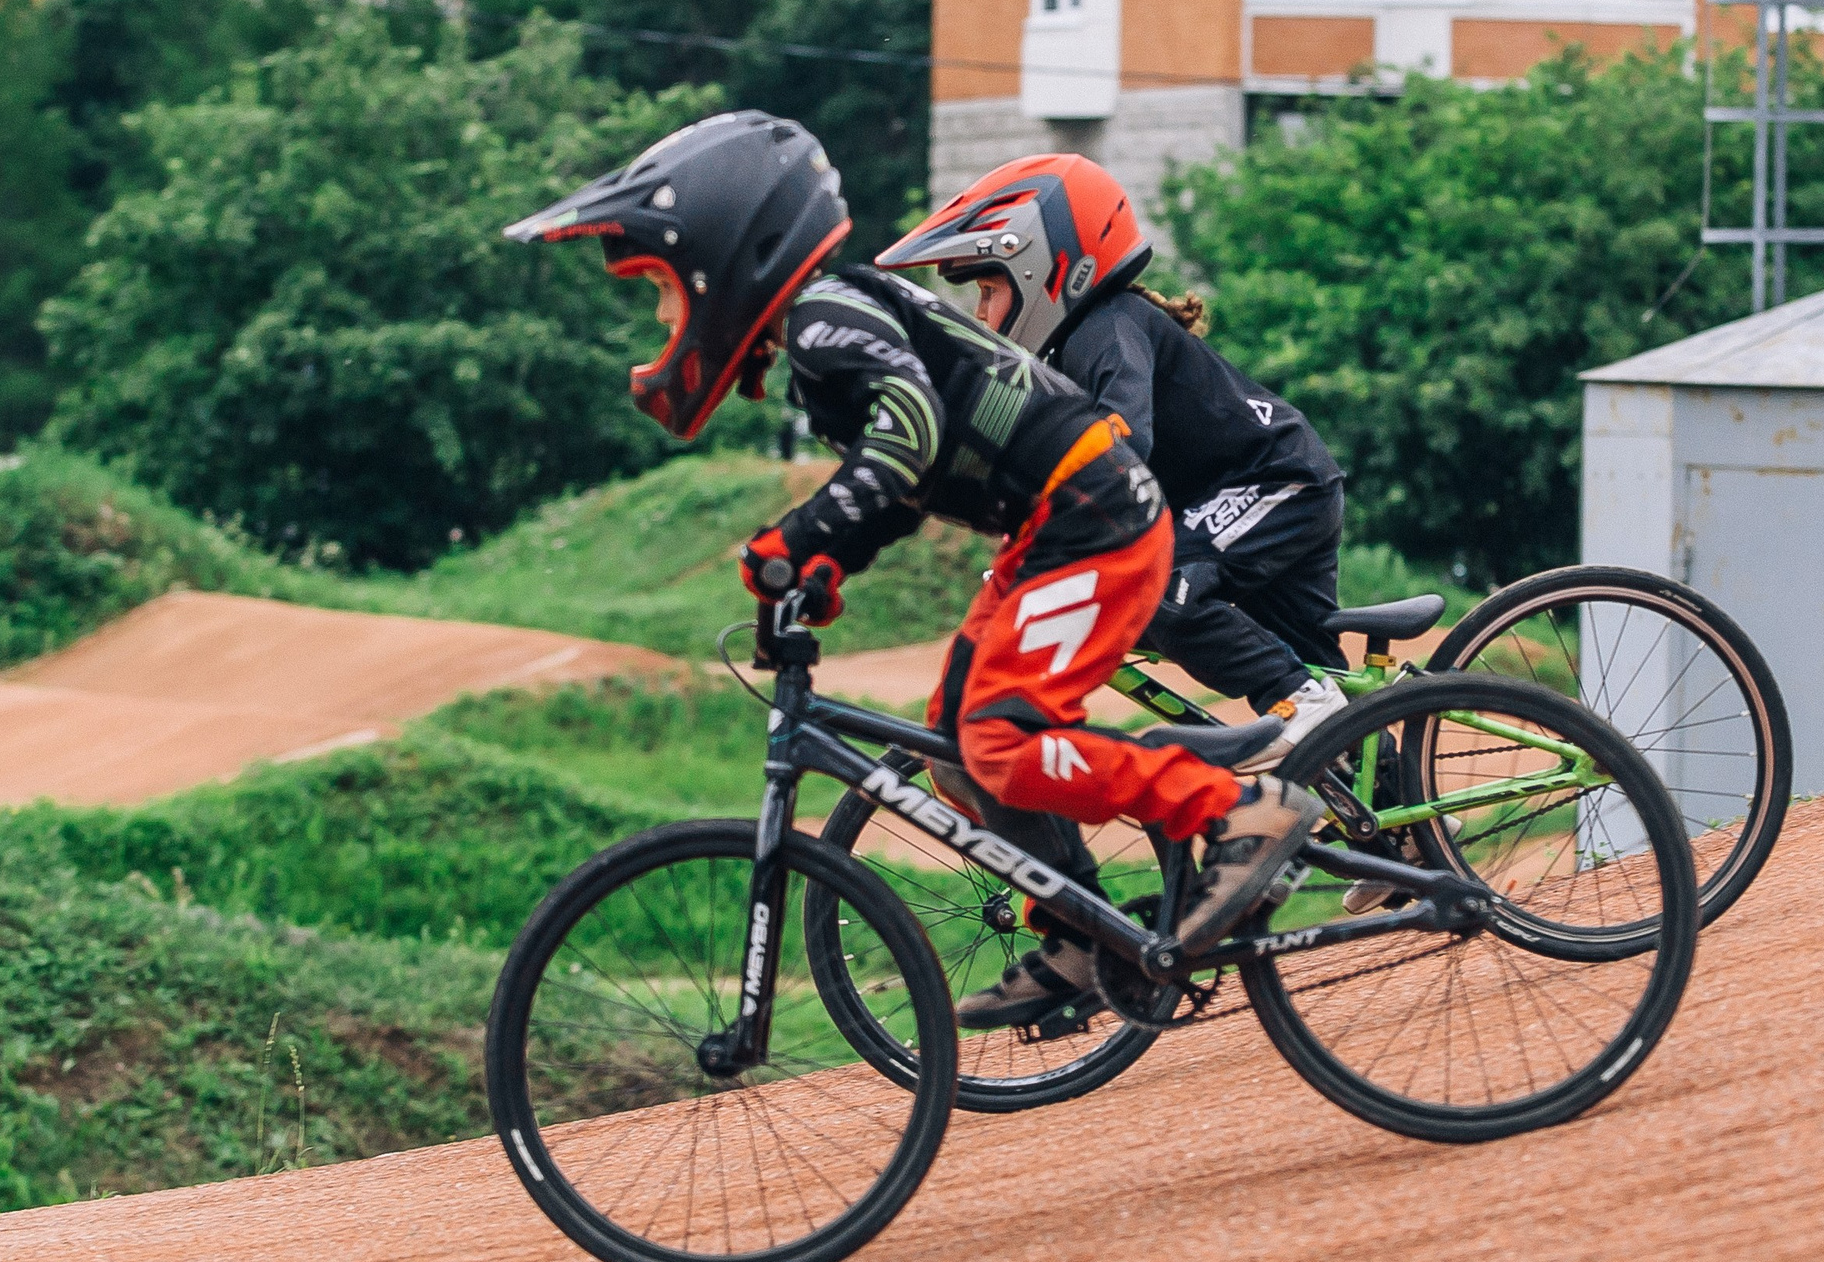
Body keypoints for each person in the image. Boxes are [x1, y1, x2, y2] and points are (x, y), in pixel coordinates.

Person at [505, 110, 1323, 1029]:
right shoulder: (827, 329)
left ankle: (1238, 810)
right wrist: (827, 561)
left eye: (664, 287)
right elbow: (904, 483)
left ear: (726, 262)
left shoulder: (826, 319)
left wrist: (799, 539)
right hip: (1053, 524)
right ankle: (1077, 926)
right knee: (955, 751)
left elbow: (909, 434)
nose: (664, 317)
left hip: (1092, 517)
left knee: (1000, 737)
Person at [875, 157, 1351, 759]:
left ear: (1043, 273)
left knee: (1157, 592)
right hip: (1267, 486)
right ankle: (1385, 796)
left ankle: (1297, 699)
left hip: (1275, 482)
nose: (980, 313)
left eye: (988, 290)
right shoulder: (1073, 347)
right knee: (1332, 712)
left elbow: (1122, 445)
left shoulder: (1107, 327)